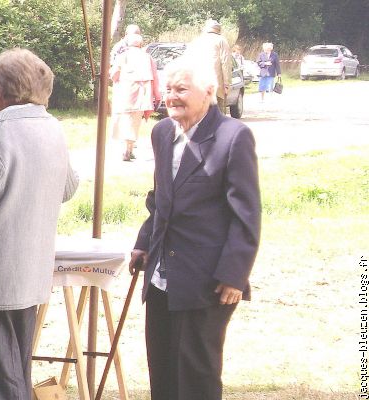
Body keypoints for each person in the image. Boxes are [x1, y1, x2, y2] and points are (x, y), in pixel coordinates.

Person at [128, 55, 261, 400]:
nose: (171, 97)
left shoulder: (233, 137)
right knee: (163, 369)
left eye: (181, 89)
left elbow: (246, 213)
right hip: (161, 273)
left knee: (196, 374)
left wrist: (234, 274)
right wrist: (144, 242)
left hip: (207, 279)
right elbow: (160, 198)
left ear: (209, 91)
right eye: (168, 89)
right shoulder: (161, 132)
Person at [0, 48, 78, 400]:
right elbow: (69, 187)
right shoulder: (52, 127)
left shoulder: (2, 130)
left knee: (3, 378)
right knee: (16, 368)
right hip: (33, 271)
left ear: (1, 87)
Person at [110, 33, 161, 161]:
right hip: (142, 94)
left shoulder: (123, 56)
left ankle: (127, 149)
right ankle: (129, 149)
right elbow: (155, 77)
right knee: (135, 121)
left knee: (126, 120)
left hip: (126, 93)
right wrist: (157, 95)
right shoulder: (147, 57)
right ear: (140, 44)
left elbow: (114, 74)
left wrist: (115, 79)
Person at [185, 19, 232, 114]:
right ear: (218, 29)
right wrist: (227, 84)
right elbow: (226, 62)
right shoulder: (221, 40)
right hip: (216, 83)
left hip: (198, 83)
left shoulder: (196, 41)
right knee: (218, 114)